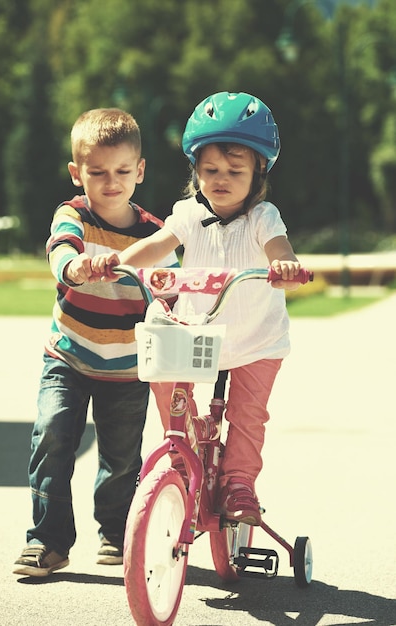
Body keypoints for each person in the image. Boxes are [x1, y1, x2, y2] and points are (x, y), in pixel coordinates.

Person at [99, 91, 303, 526]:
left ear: (258, 171)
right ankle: (181, 449)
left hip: (256, 341)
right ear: (195, 170)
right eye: (210, 170)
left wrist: (285, 264)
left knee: (248, 416)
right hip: (198, 331)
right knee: (163, 372)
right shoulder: (189, 214)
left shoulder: (263, 217)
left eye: (234, 170)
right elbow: (157, 244)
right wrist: (119, 262)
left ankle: (239, 484)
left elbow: (278, 247)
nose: (220, 178)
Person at [13, 108, 178, 577]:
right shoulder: (74, 215)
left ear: (140, 171)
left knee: (122, 458)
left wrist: (170, 294)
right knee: (50, 436)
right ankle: (48, 540)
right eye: (98, 172)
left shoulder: (153, 233)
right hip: (67, 355)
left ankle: (114, 530)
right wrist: (72, 267)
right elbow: (61, 246)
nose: (111, 182)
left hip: (126, 367)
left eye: (123, 171)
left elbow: (170, 288)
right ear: (76, 172)